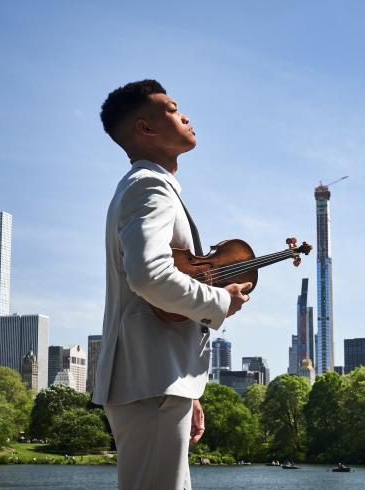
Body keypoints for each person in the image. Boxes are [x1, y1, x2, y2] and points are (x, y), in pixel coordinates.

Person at [92, 80, 251, 490]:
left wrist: (190, 390)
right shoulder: (150, 185)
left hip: (157, 380)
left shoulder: (144, 185)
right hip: (151, 382)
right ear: (145, 128)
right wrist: (220, 299)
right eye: (173, 108)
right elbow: (149, 275)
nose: (185, 116)